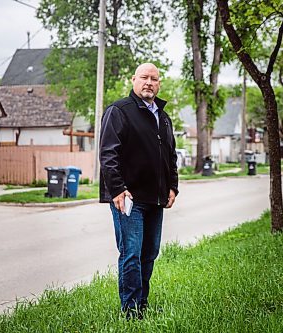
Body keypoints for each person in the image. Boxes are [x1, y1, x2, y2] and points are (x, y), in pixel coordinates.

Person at [99, 63, 179, 319]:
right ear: (133, 79)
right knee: (131, 254)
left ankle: (142, 304)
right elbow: (108, 154)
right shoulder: (119, 111)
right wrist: (118, 189)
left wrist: (172, 186)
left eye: (154, 79)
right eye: (144, 77)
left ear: (159, 84)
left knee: (149, 253)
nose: (149, 82)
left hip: (155, 198)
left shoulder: (163, 117)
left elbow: (170, 155)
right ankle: (131, 311)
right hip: (128, 198)